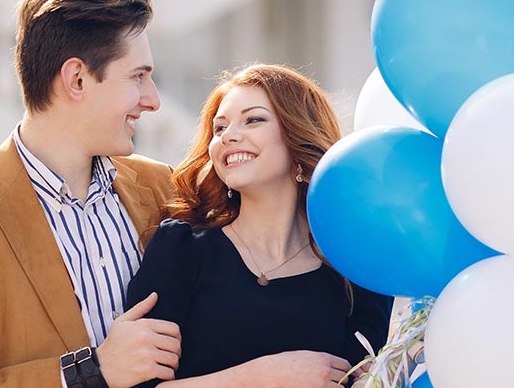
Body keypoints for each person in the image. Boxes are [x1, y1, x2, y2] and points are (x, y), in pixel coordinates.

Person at [0, 1, 182, 387]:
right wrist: (89, 373)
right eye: (138, 77)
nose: (153, 100)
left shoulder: (163, 187)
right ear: (76, 78)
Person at [126, 64, 394, 387]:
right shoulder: (180, 249)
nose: (228, 136)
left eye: (253, 119)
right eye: (219, 128)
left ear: (298, 135)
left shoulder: (355, 267)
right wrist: (262, 377)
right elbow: (136, 384)